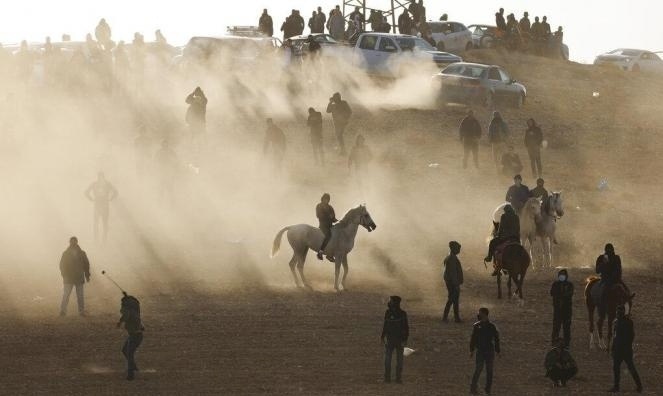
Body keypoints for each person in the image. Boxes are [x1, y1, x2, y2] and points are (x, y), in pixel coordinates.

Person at [609, 305, 643, 393]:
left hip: (622, 349)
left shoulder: (623, 322)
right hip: (624, 350)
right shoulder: (626, 322)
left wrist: (614, 348)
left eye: (619, 312)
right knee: (627, 368)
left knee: (620, 368)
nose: (618, 314)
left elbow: (619, 337)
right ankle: (638, 386)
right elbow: (616, 337)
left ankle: (617, 387)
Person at [470, 307, 500, 395]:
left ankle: (487, 390)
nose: (478, 315)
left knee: (489, 371)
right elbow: (473, 339)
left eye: (480, 313)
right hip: (481, 351)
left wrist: (497, 350)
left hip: (489, 351)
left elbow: (496, 338)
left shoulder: (491, 326)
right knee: (478, 370)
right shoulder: (477, 326)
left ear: (485, 314)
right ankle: (473, 388)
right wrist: (471, 349)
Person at [59, 237, 91, 317]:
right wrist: (64, 275)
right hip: (69, 277)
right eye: (72, 242)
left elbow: (86, 265)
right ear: (70, 242)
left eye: (74, 242)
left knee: (79, 296)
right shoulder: (66, 253)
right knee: (66, 295)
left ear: (77, 242)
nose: (73, 243)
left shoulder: (81, 253)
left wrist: (87, 275)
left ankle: (81, 311)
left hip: (78, 277)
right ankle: (63, 311)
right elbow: (62, 265)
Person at [381, 295, 409, 384]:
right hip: (393, 340)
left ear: (395, 303)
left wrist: (404, 339)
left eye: (391, 301)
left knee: (393, 360)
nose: (389, 302)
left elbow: (406, 328)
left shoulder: (397, 313)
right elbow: (385, 326)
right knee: (393, 360)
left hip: (396, 340)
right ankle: (392, 378)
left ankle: (393, 378)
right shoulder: (396, 313)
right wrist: (382, 336)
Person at [117, 293, 144, 381]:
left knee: (129, 353)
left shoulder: (128, 311)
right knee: (125, 351)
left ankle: (130, 374)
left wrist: (120, 322)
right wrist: (126, 296)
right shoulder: (134, 310)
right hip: (136, 335)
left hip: (135, 336)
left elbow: (125, 315)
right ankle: (134, 367)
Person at [485, 204, 520, 271]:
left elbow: (500, 228)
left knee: (492, 242)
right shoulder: (516, 217)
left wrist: (498, 235)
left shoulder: (503, 216)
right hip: (515, 238)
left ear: (505, 211)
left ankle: (489, 257)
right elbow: (518, 229)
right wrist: (518, 239)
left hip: (505, 238)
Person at [85, 172, 118, 242]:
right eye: (99, 177)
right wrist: (91, 199)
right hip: (98, 205)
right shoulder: (95, 184)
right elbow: (86, 192)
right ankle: (96, 240)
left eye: (101, 177)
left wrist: (111, 198)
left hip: (104, 205)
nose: (100, 179)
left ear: (103, 177)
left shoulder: (107, 184)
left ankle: (103, 241)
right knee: (96, 223)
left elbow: (116, 192)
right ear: (98, 177)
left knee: (104, 224)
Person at [550, 269, 574, 347]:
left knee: (566, 328)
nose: (561, 276)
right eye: (560, 275)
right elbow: (552, 293)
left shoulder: (569, 285)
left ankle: (567, 343)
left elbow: (569, 294)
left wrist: (561, 296)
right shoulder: (555, 284)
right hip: (557, 310)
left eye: (563, 275)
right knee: (556, 326)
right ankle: (554, 341)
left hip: (567, 310)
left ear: (566, 276)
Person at [443, 241, 463, 323]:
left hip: (450, 282)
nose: (459, 250)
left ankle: (454, 317)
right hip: (453, 283)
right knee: (452, 299)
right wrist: (456, 284)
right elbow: (453, 273)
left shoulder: (449, 257)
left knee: (453, 300)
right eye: (458, 248)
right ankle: (452, 317)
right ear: (454, 248)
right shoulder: (452, 258)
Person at [316, 193, 338, 261]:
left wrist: (338, 221)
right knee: (328, 236)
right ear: (323, 198)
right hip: (323, 225)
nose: (327, 200)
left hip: (330, 225)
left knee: (337, 235)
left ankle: (330, 254)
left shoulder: (330, 207)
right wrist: (329, 217)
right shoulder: (319, 206)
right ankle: (320, 252)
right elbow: (319, 216)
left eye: (328, 199)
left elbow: (333, 218)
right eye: (326, 199)